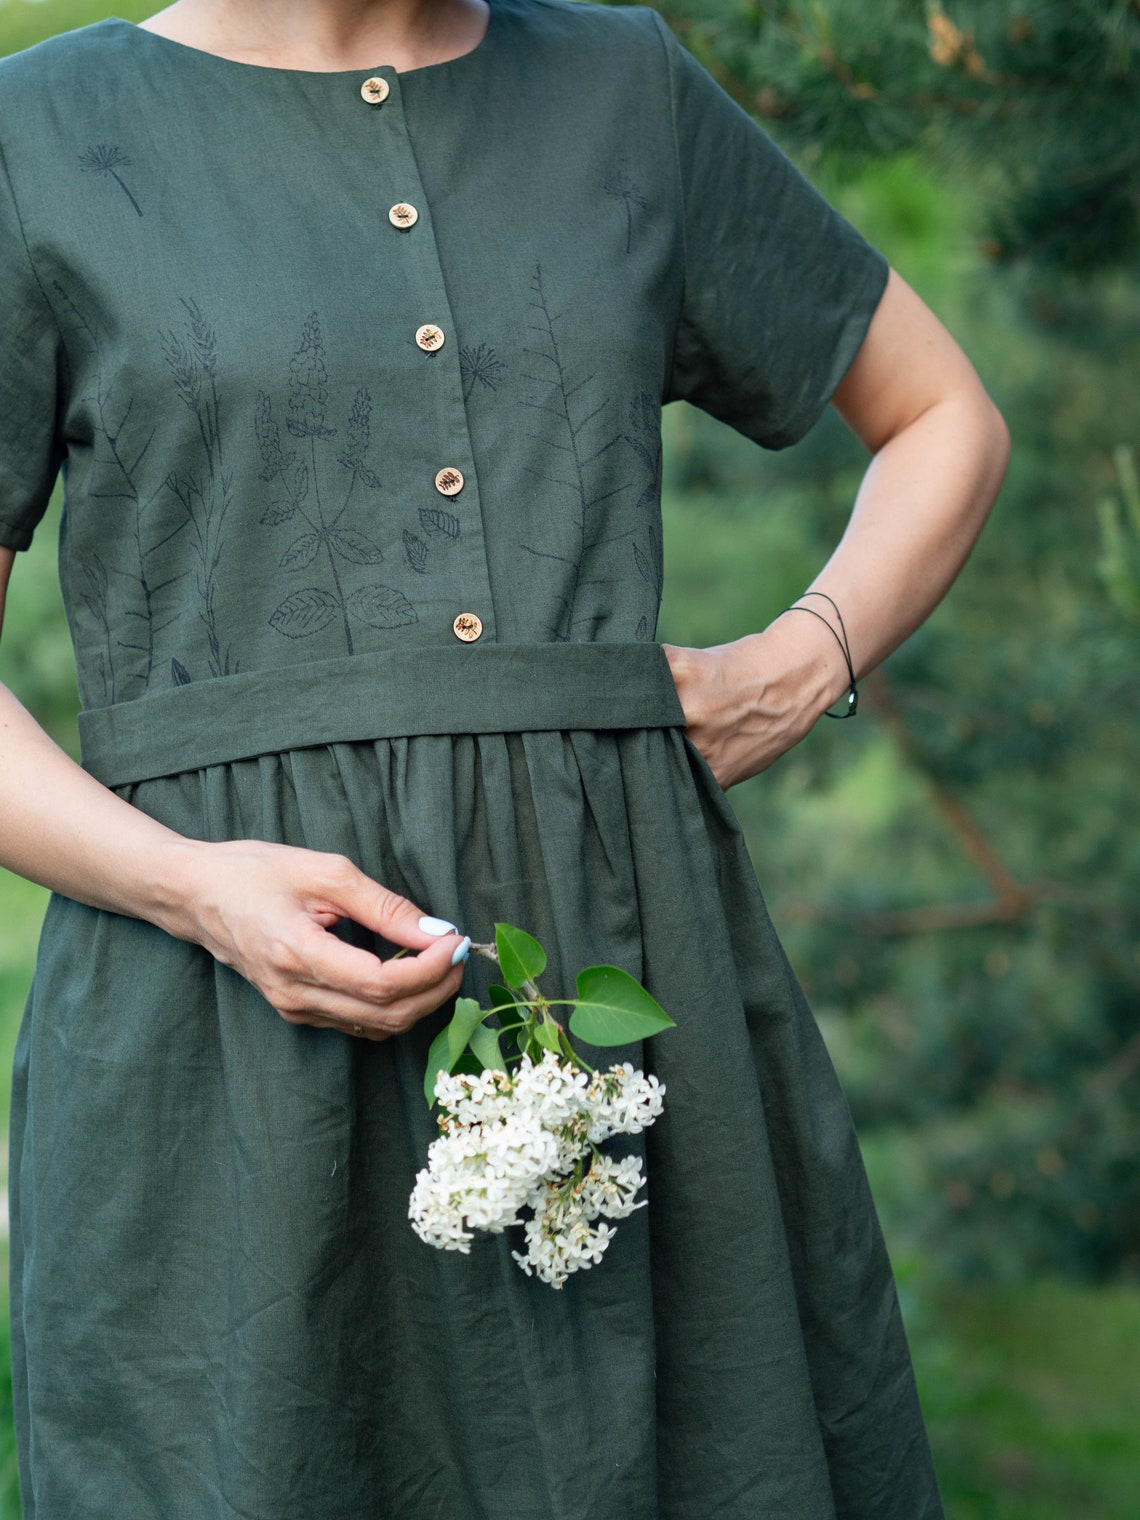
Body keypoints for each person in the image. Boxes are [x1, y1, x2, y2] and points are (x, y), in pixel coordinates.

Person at [0, 0, 1009, 1514]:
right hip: (215, 1025)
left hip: (628, 993)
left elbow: (941, 415)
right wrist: (195, 891)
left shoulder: (623, 85)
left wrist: (799, 665)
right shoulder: (38, 136)